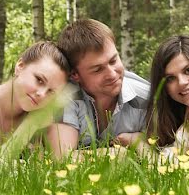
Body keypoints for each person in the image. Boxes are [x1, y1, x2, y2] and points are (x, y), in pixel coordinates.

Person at [46, 19, 150, 158]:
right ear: (75, 74)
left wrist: (136, 141)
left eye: (113, 61)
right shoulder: (65, 96)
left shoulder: (147, 97)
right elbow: (62, 158)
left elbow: (162, 154)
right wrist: (118, 155)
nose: (112, 74)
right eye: (98, 69)